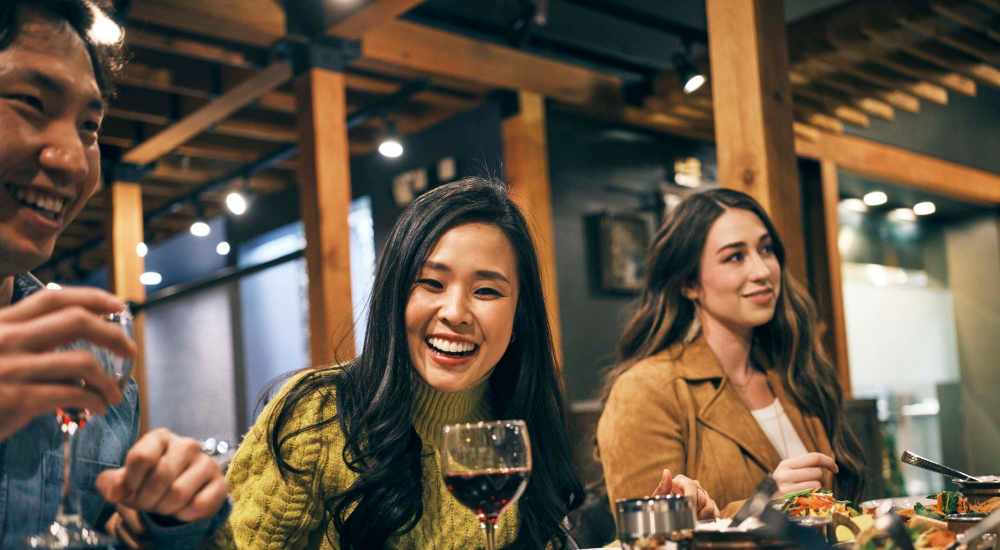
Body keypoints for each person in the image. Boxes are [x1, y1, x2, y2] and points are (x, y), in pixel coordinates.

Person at [209, 178, 584, 549]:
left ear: (519, 315)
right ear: (395, 296)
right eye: (432, 283)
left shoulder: (518, 429)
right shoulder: (321, 414)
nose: (456, 313)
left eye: (486, 291)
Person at [0, 1, 229, 547]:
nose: (74, 162)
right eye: (32, 102)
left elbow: (102, 529)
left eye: (90, 126)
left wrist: (167, 516)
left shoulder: (84, 363)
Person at [596, 188, 864, 517]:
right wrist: (764, 503)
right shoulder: (645, 390)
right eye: (735, 257)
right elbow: (648, 536)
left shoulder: (794, 372)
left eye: (766, 250)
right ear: (689, 284)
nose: (762, 271)